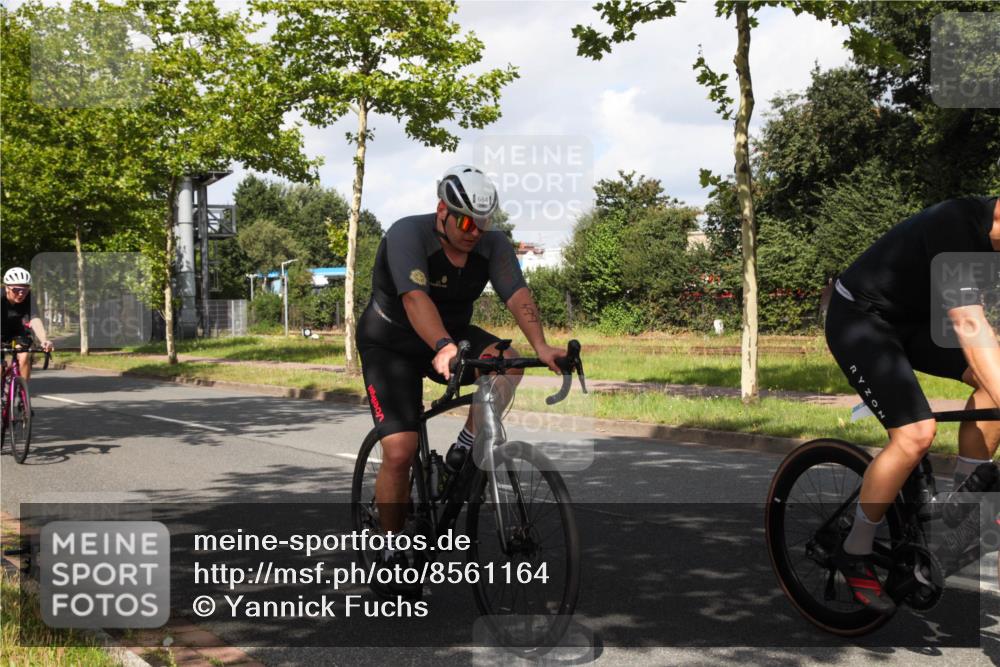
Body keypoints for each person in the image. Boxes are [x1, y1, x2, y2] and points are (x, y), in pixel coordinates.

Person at [356, 165, 565, 594]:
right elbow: (415, 299)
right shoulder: (406, 236)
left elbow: (518, 295)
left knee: (509, 362)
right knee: (401, 448)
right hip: (392, 343)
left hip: (452, 335)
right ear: (442, 213)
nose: (475, 231)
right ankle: (393, 549)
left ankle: (466, 446)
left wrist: (543, 347)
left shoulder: (493, 244)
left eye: (483, 222)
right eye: (467, 221)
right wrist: (442, 346)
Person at [825, 195, 1000, 614]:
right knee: (916, 433)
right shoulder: (956, 225)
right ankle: (854, 547)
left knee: (991, 382)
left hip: (917, 322)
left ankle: (961, 507)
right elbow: (968, 323)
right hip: (862, 318)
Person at [1, 267, 54, 381]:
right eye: (16, 290)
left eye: (25, 290)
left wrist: (44, 340)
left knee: (24, 356)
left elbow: (35, 319)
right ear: (7, 288)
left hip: (17, 331)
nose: (21, 294)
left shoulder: (29, 297)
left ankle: (22, 392)